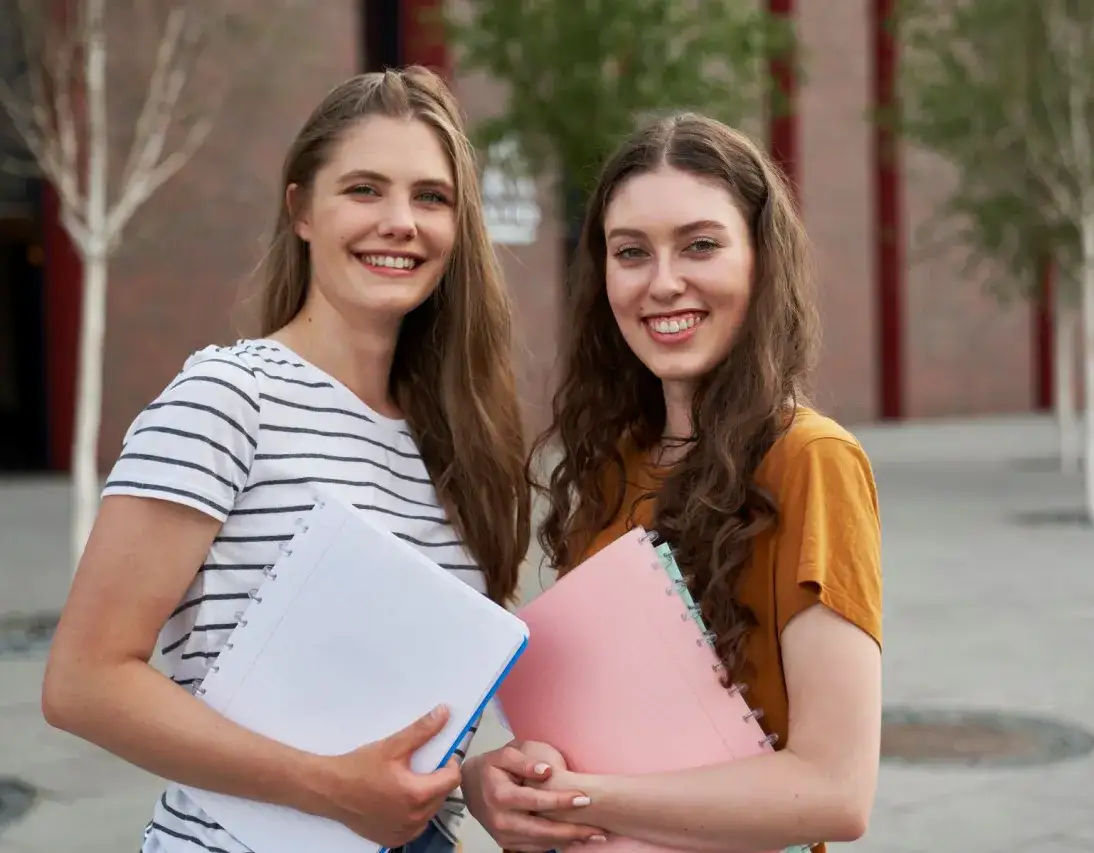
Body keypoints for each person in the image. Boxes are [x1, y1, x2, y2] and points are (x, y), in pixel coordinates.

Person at [39, 66, 601, 853]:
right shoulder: (227, 397)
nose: (401, 221)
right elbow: (83, 684)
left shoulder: (457, 437)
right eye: (364, 189)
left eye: (430, 197)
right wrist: (331, 787)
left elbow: (407, 718)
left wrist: (477, 780)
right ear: (301, 209)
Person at [461, 112, 884, 853]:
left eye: (700, 245)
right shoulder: (608, 464)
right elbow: (590, 731)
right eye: (631, 252)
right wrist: (501, 783)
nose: (663, 282)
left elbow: (835, 791)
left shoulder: (811, 460)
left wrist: (584, 800)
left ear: (761, 259)